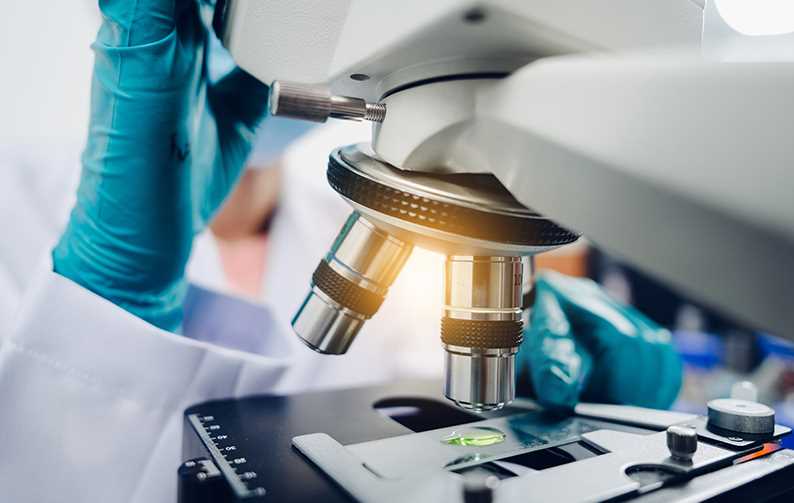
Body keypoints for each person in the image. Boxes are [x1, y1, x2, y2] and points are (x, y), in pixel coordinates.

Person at [0, 1, 681, 502]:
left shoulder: (360, 214)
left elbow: (461, 437)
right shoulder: (12, 201)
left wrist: (553, 390)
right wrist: (108, 302)